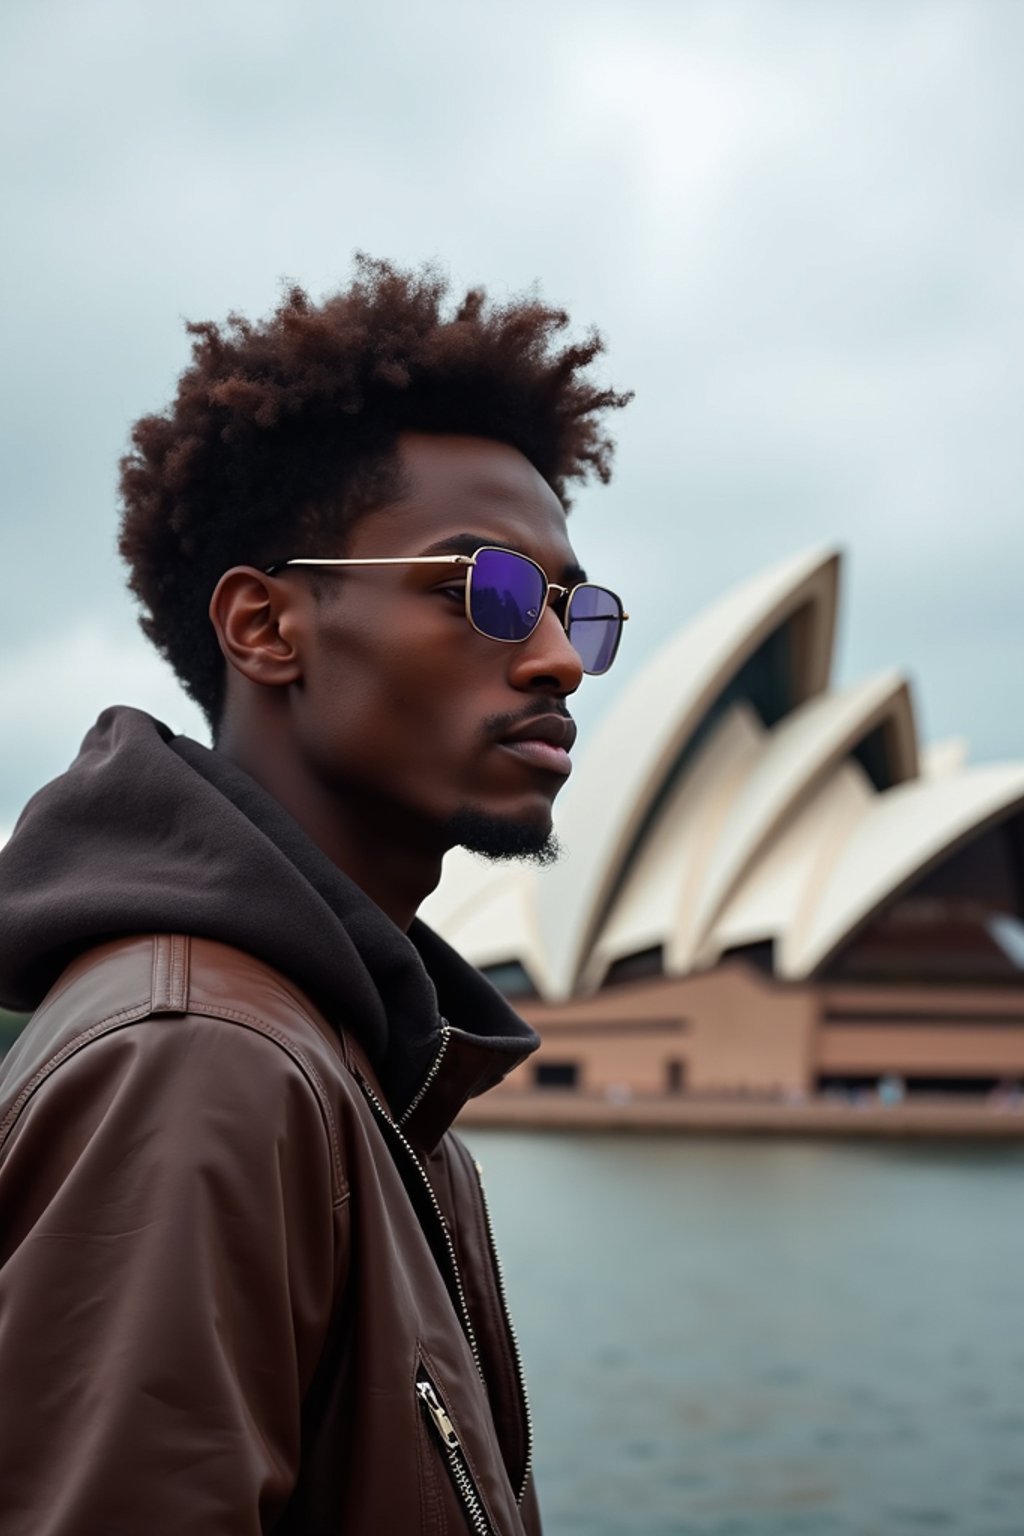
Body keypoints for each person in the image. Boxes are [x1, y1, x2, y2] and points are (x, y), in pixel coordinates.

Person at [0, 257, 631, 1534]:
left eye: (579, 609)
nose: (560, 658)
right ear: (268, 627)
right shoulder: (204, 1062)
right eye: (490, 593)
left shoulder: (368, 1067)